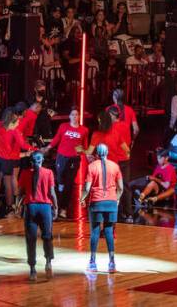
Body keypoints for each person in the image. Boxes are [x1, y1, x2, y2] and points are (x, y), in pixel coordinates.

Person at [80, 143, 123, 274]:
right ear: (108, 152)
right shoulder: (115, 166)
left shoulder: (92, 166)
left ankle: (92, 263)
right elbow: (121, 187)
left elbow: (87, 188)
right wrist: (117, 198)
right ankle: (112, 263)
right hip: (111, 202)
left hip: (97, 202)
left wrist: (82, 198)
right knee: (109, 232)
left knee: (95, 232)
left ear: (97, 154)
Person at [18, 151, 57, 281]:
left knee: (31, 239)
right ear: (42, 161)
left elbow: (20, 192)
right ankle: (48, 263)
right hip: (45, 208)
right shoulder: (49, 173)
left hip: (31, 208)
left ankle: (33, 270)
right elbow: (51, 193)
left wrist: (17, 206)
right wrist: (56, 206)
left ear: (31, 162)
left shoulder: (25, 173)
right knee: (47, 237)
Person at [44, 107, 87, 218]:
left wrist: (87, 155)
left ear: (79, 116)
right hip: (62, 157)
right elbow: (56, 139)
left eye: (76, 114)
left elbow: (84, 147)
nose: (74, 117)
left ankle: (63, 208)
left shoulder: (84, 130)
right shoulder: (63, 127)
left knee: (69, 183)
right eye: (72, 114)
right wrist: (48, 147)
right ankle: (57, 201)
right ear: (69, 116)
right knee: (60, 180)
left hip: (74, 159)